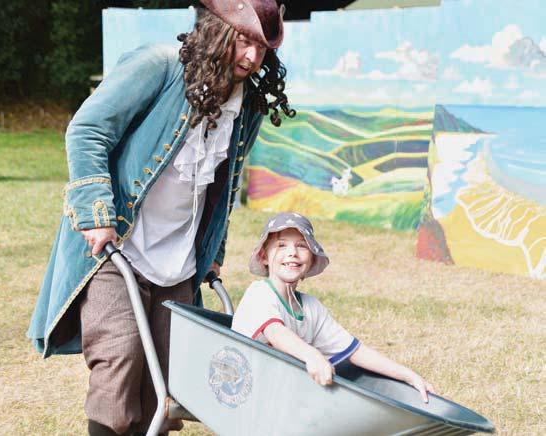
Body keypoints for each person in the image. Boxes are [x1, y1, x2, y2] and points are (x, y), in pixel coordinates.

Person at [27, 1, 295, 435]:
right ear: (216, 30)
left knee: (166, 385)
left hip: (179, 260)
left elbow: (224, 187)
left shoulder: (247, 106)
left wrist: (214, 253)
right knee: (120, 359)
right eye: (244, 41)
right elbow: (88, 130)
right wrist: (96, 213)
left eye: (262, 48)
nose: (251, 57)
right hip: (118, 247)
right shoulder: (159, 67)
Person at [231, 212, 435, 402]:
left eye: (302, 246)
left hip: (278, 396)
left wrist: (408, 375)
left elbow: (356, 352)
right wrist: (312, 355)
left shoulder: (310, 307)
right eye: (281, 245)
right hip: (243, 392)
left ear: (312, 259)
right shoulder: (259, 293)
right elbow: (276, 333)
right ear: (264, 257)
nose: (292, 253)